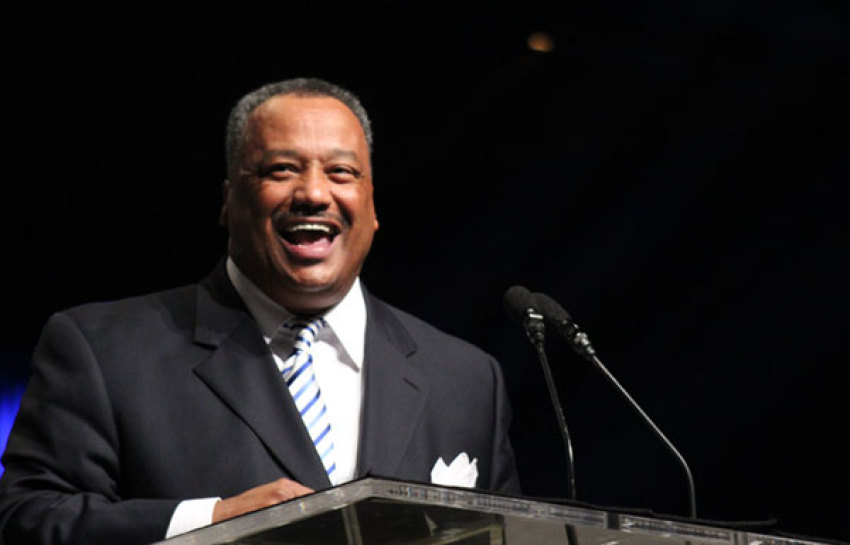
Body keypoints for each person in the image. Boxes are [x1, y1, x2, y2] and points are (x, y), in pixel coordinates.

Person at [0, 78, 520, 544]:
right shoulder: (103, 350)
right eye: (282, 170)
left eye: (341, 172)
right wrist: (212, 522)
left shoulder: (466, 378)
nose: (314, 193)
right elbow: (29, 520)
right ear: (230, 200)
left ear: (372, 203)